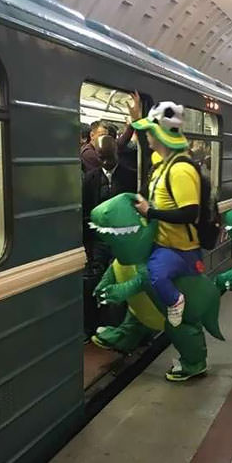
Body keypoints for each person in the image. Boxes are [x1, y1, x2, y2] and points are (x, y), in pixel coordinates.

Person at [132, 102, 203, 334]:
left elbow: (190, 213)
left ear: (159, 134)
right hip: (163, 244)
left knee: (156, 275)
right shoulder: (162, 163)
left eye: (150, 132)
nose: (147, 137)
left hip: (181, 250)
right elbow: (147, 146)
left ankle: (174, 301)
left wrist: (150, 212)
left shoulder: (180, 170)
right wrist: (136, 121)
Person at [82, 137, 137, 339]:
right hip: (99, 241)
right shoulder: (90, 179)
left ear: (117, 154)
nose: (105, 162)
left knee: (120, 282)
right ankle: (94, 325)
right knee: (94, 281)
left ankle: (118, 327)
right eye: (101, 157)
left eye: (109, 157)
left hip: (123, 240)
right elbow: (85, 211)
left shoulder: (131, 178)